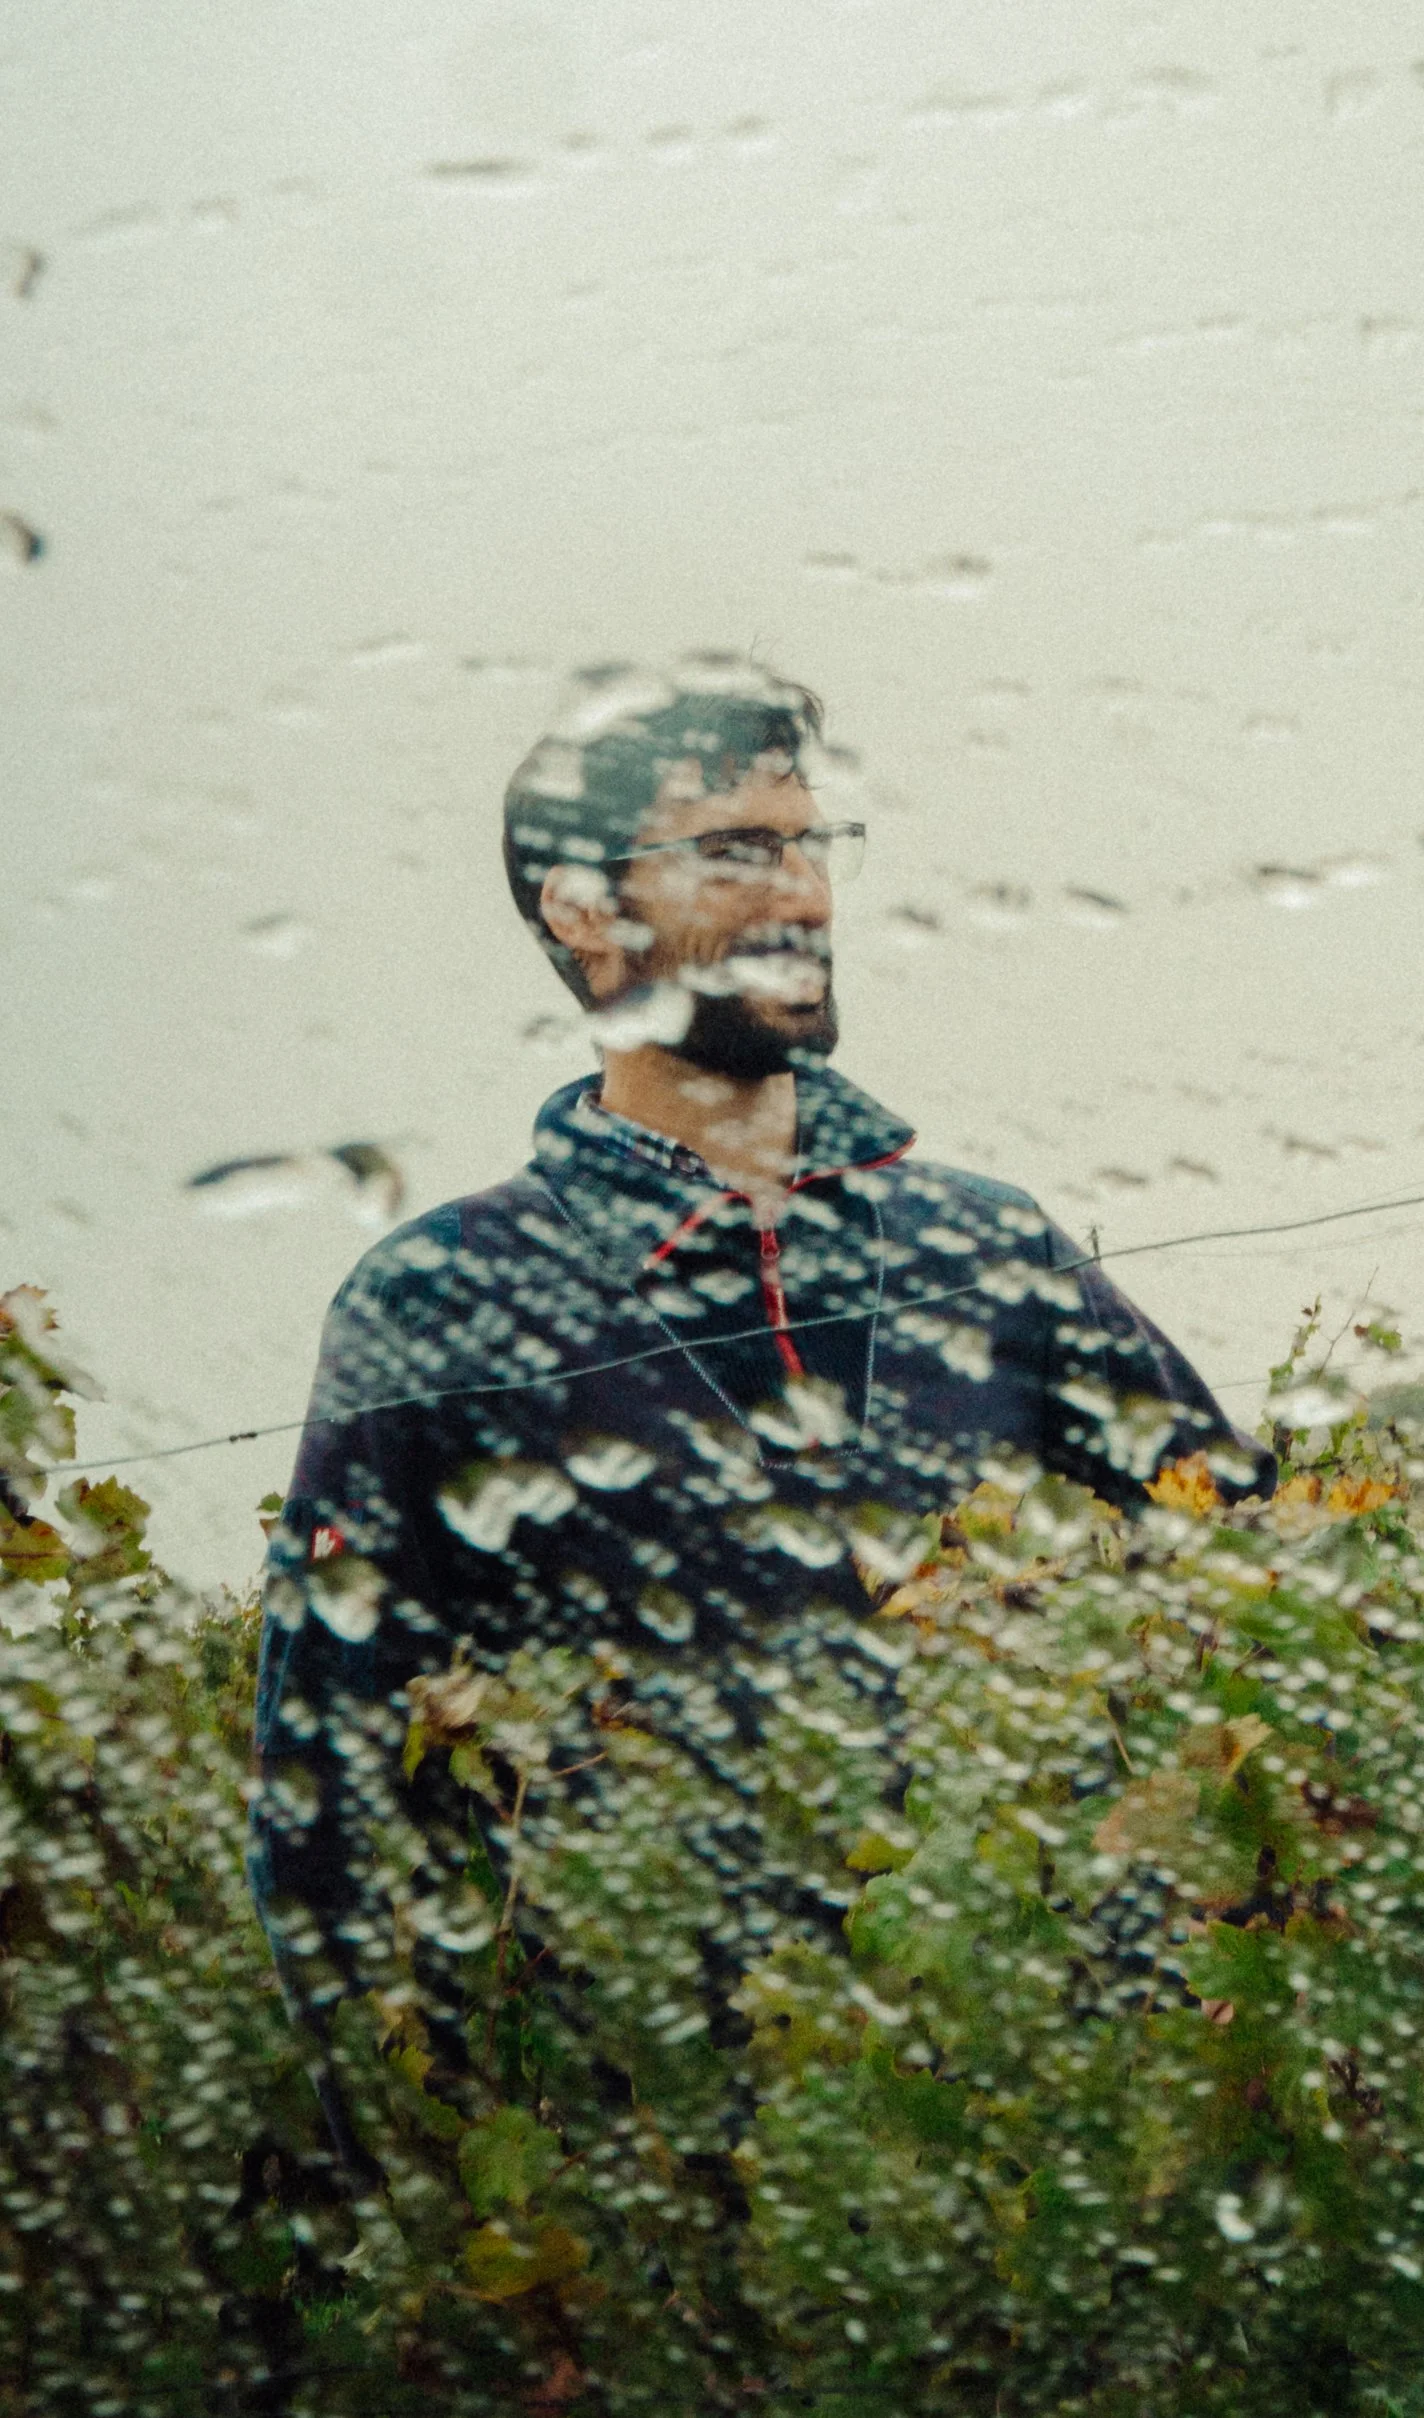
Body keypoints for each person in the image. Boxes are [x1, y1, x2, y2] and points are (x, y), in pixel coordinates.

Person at [249, 658, 1264, 2034]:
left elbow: (1244, 1574)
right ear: (583, 906)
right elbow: (328, 1802)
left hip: (1056, 2072)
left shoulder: (985, 1243)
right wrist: (426, 2183)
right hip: (674, 2137)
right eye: (737, 851)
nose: (804, 893)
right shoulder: (440, 1305)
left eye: (811, 842)